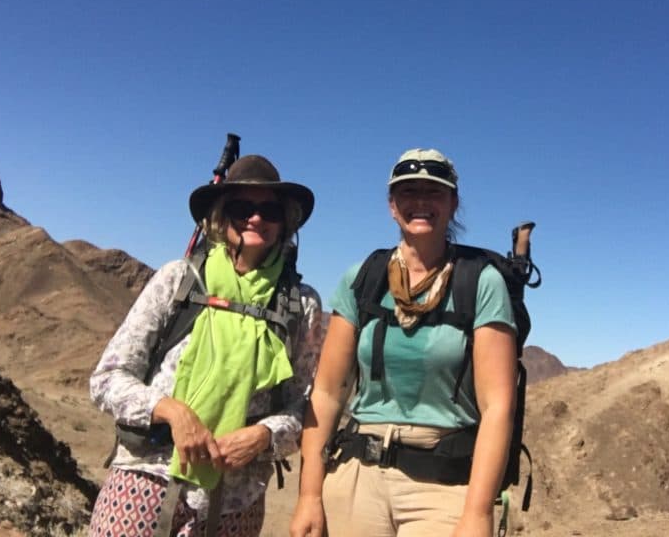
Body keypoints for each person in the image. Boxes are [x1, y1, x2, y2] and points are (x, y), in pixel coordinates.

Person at [89, 155, 322, 537]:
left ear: (286, 221)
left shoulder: (302, 303)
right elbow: (108, 378)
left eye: (269, 210)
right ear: (220, 216)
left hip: (238, 500)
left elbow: (306, 406)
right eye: (241, 208)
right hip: (147, 480)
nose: (256, 218)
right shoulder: (178, 280)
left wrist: (265, 435)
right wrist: (173, 413)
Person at [291, 148, 517, 537]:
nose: (421, 203)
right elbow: (328, 393)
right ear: (392, 205)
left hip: (443, 487)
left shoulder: (480, 282)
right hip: (357, 478)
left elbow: (497, 407)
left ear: (452, 204)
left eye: (434, 193)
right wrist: (309, 495)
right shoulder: (362, 278)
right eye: (408, 192)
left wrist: (477, 514)